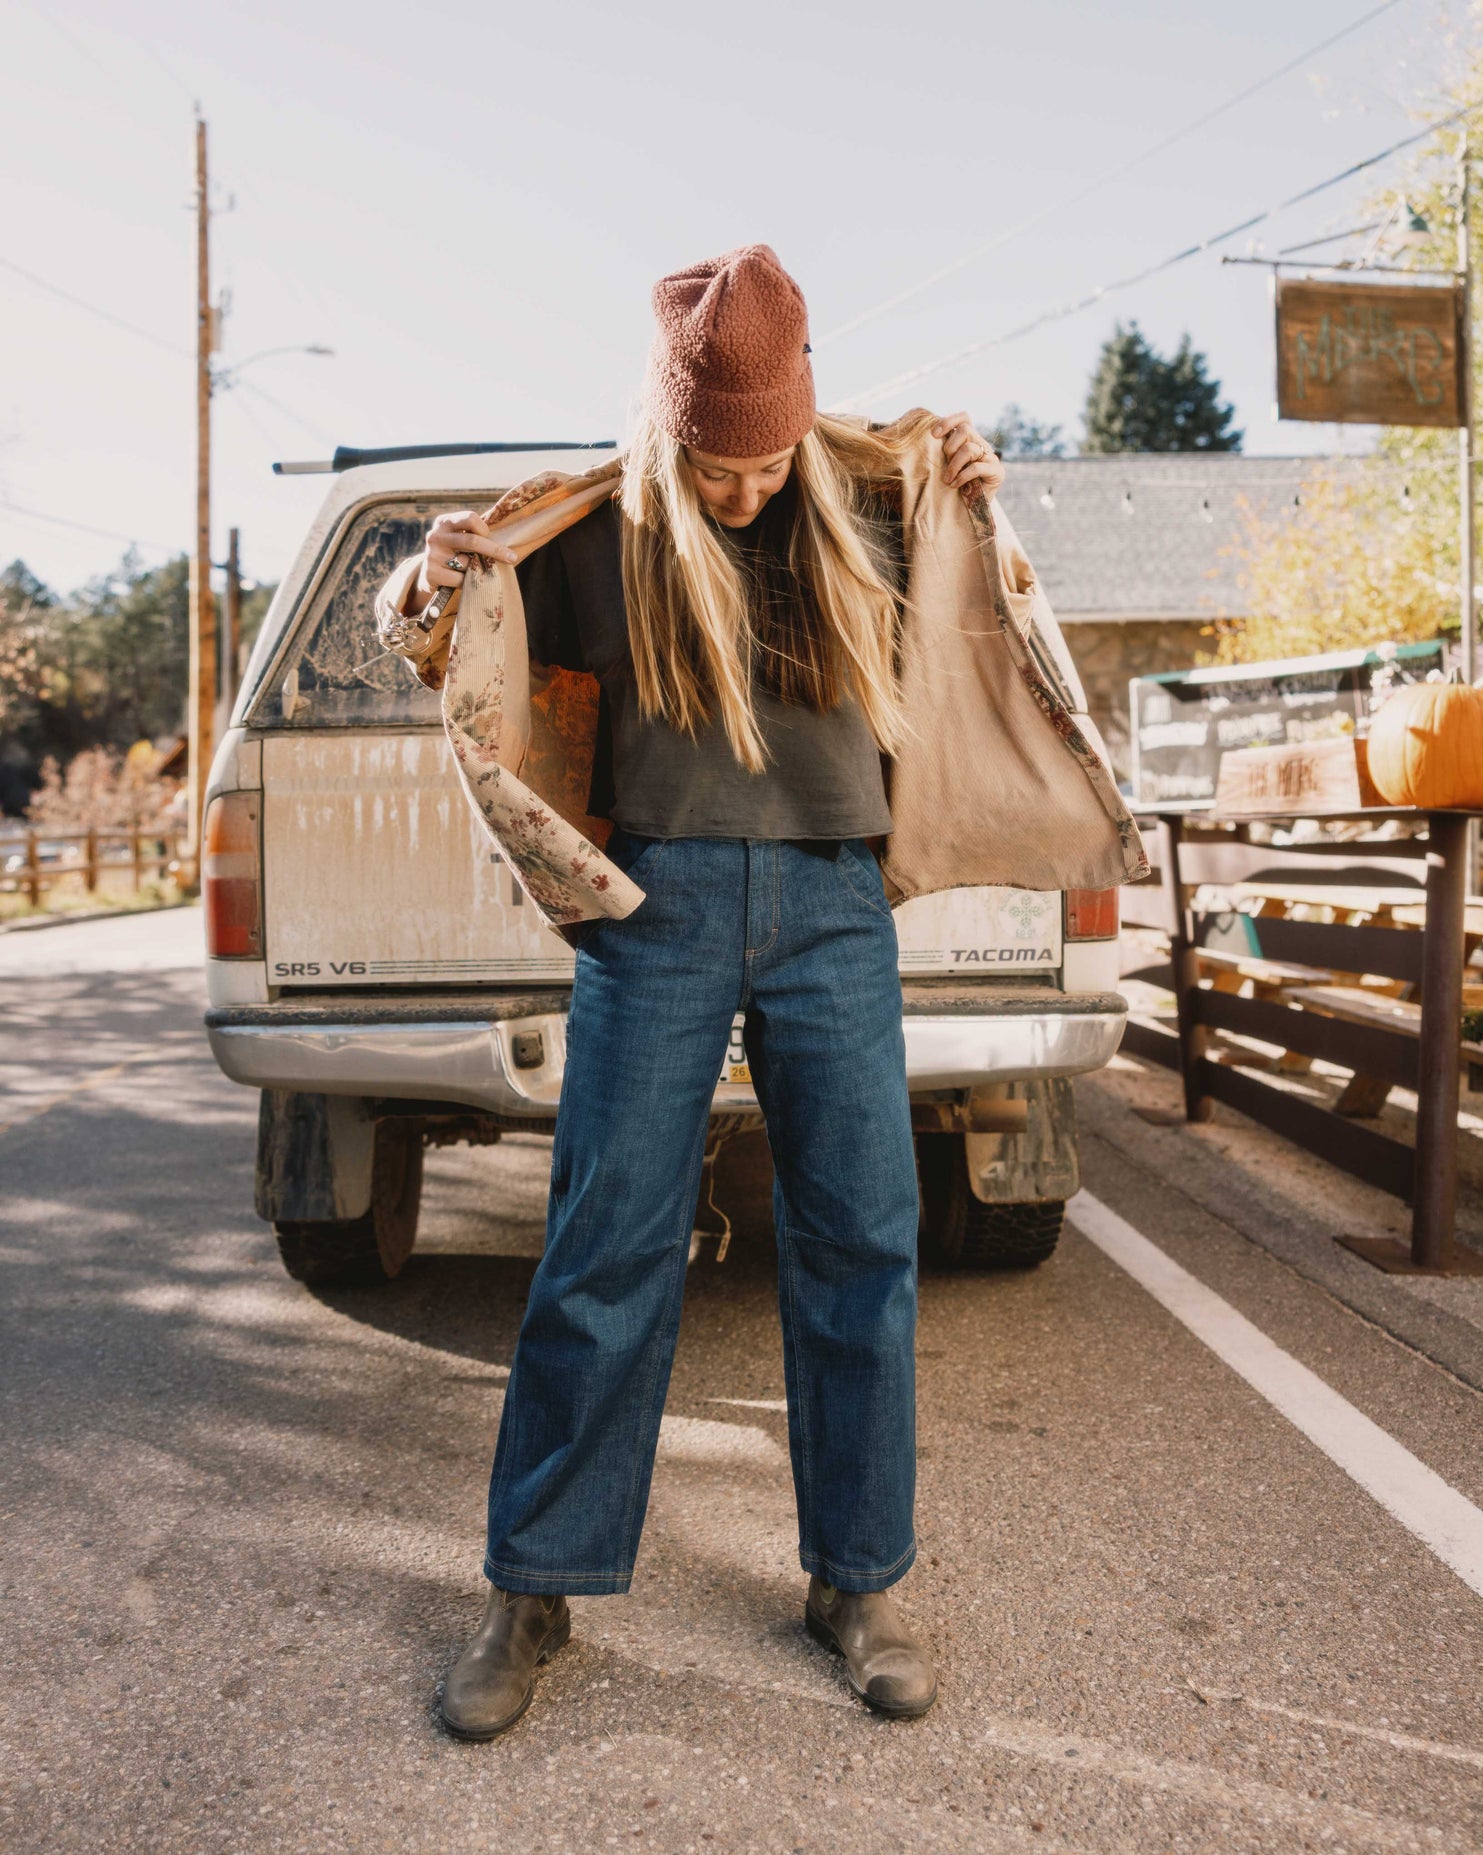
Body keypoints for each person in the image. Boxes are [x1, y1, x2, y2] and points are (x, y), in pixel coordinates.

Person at [399, 245, 1005, 1739]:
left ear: (803, 416)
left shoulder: (867, 504)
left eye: (764, 460)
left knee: (861, 1242)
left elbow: (986, 596)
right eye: (711, 465)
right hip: (653, 912)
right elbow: (429, 636)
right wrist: (419, 582)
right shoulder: (595, 529)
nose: (740, 490)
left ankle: (856, 1581)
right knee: (605, 1248)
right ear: (667, 427)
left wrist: (985, 492)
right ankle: (534, 1585)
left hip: (831, 907)